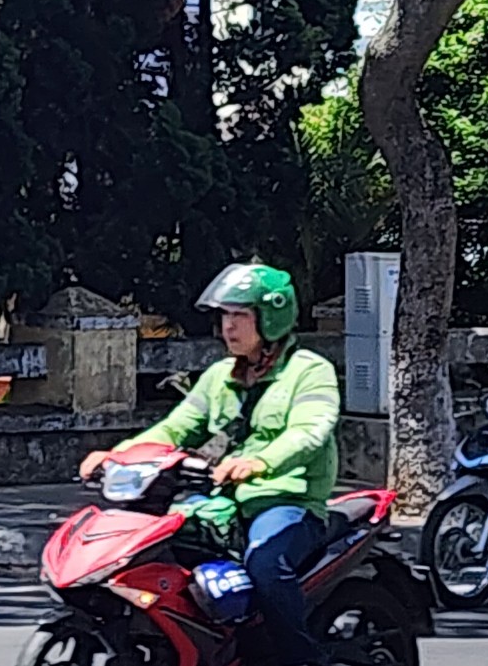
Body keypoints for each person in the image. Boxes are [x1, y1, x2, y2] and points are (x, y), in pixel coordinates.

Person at [81, 264, 342, 666]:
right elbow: (176, 428)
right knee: (155, 550)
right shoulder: (220, 376)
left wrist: (259, 461)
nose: (228, 327)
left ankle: (301, 658)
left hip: (287, 504)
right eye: (224, 316)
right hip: (221, 501)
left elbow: (309, 433)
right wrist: (118, 455)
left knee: (266, 564)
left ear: (269, 318)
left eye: (240, 315)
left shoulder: (310, 372)